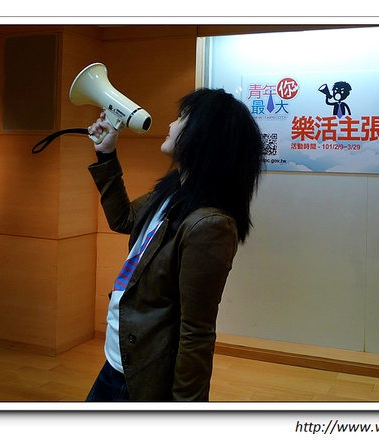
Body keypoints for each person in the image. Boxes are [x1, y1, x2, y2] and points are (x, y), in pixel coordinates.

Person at [84, 88, 264, 401]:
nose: (171, 124)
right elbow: (124, 219)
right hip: (119, 359)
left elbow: (196, 332)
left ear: (205, 136)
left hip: (142, 375)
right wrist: (106, 154)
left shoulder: (209, 225)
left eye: (183, 118)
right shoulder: (172, 191)